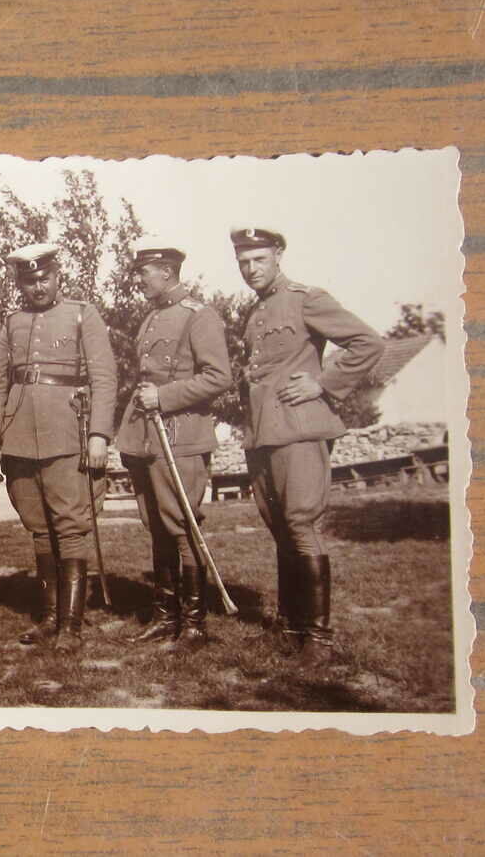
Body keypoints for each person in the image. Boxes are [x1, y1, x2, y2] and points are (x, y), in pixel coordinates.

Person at [232, 226, 384, 666]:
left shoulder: (305, 298)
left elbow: (368, 342)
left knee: (301, 524)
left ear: (278, 255)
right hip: (263, 436)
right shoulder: (256, 313)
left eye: (259, 259)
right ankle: (292, 625)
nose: (250, 269)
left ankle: (318, 639)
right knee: (282, 528)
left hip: (298, 431)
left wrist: (323, 383)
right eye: (243, 262)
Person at [0, 243, 117, 651]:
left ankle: (71, 625)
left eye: (44, 277)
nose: (38, 286)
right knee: (40, 530)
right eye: (29, 280)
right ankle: (48, 616)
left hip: (66, 433)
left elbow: (104, 378)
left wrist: (98, 435)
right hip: (20, 436)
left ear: (58, 276)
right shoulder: (13, 323)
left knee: (70, 527)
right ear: (20, 284)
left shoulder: (82, 314)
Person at [116, 236, 232, 650]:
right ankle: (166, 617)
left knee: (182, 526)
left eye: (145, 272)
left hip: (180, 435)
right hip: (148, 439)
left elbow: (219, 376)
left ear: (167, 271)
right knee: (157, 526)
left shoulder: (198, 316)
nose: (140, 280)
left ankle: (196, 624)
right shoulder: (151, 319)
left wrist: (164, 397)